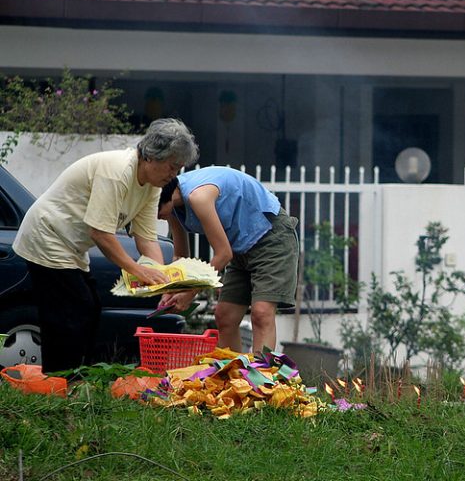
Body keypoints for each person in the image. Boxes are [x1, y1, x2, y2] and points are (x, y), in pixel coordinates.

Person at [12, 118, 199, 373]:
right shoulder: (118, 172)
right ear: (152, 157)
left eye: (178, 169)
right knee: (71, 311)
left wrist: (163, 282)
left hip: (72, 246)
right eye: (172, 167)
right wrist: (138, 270)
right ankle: (61, 378)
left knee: (89, 307)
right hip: (48, 235)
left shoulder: (152, 186)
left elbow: (146, 239)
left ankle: (73, 376)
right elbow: (100, 233)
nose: (174, 175)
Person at [157, 165, 299, 354]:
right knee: (225, 316)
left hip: (270, 237)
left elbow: (223, 255)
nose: (155, 216)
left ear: (157, 197)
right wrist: (172, 289)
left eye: (150, 209)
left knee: (261, 313)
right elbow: (181, 256)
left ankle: (261, 379)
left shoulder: (198, 197)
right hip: (241, 246)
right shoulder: (173, 203)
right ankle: (235, 378)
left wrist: (191, 292)